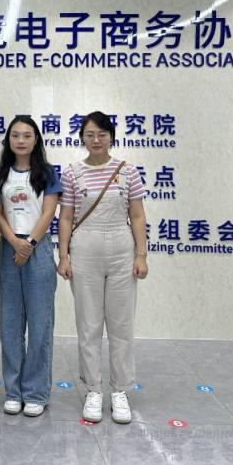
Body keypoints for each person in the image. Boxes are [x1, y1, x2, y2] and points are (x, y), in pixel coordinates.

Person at [57, 111, 147, 425]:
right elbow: (66, 217)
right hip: (85, 248)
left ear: (111, 137)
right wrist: (64, 256)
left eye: (102, 134)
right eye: (90, 134)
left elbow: (137, 215)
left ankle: (120, 390)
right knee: (89, 324)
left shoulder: (128, 171)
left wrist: (141, 255)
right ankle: (93, 390)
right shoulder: (72, 173)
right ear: (82, 138)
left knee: (121, 324)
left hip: (122, 248)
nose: (96, 140)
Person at [0, 115, 62, 417]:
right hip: (9, 249)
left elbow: (48, 213)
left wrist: (30, 243)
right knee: (10, 325)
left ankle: (36, 392)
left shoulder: (47, 173)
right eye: (15, 135)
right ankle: (13, 391)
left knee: (40, 325)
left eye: (27, 135)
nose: (21, 140)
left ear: (36, 140)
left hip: (39, 248)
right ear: (8, 140)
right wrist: (14, 242)